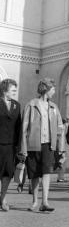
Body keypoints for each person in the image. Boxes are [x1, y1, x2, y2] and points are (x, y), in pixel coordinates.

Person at [20, 78, 64, 213]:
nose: (54, 92)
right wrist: (23, 149)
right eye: (53, 89)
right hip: (33, 144)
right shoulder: (31, 105)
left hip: (48, 145)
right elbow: (24, 128)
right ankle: (34, 201)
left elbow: (60, 129)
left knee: (46, 172)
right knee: (34, 174)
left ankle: (45, 201)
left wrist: (61, 149)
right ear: (46, 89)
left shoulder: (54, 107)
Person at [0, 79, 22, 211]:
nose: (15, 92)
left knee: (8, 172)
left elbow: (18, 126)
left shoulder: (17, 105)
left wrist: (19, 146)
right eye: (13, 90)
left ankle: (3, 198)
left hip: (11, 145)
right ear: (4, 90)